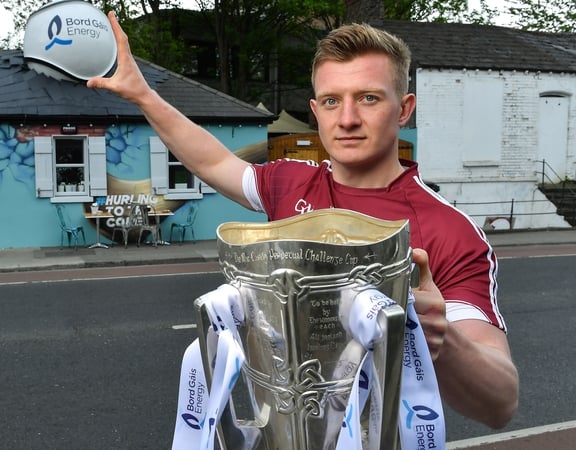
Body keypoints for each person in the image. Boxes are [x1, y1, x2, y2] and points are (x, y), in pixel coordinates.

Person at [88, 12, 518, 429]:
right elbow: (211, 159)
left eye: (368, 98)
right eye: (332, 101)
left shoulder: (450, 231)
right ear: (316, 110)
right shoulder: (290, 182)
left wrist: (446, 343)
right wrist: (143, 94)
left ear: (404, 109)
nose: (347, 119)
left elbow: (501, 403)